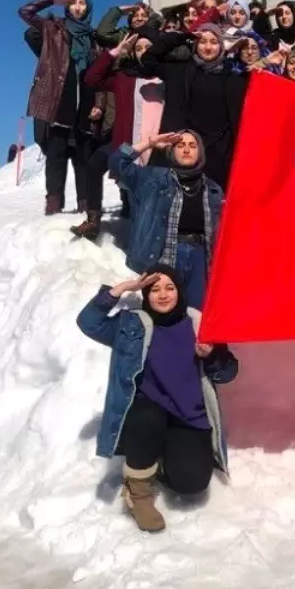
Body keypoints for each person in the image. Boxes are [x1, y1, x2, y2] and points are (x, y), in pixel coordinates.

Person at [76, 266, 238, 532]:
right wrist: (120, 290)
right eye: (154, 289)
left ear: (180, 292)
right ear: (145, 295)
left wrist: (212, 356)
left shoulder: (200, 325)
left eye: (169, 288)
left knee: (191, 484)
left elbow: (228, 372)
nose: (162, 295)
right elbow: (88, 322)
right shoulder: (133, 324)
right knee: (146, 417)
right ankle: (138, 493)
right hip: (147, 413)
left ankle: (161, 457)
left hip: (188, 416)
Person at [110, 131, 224, 310]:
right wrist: (149, 143)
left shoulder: (213, 190)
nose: (186, 149)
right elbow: (117, 162)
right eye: (180, 145)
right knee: (167, 313)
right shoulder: (153, 178)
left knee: (197, 314)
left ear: (200, 153)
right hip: (165, 254)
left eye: (192, 146)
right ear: (172, 151)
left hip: (200, 258)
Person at [140, 23, 248, 189]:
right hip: (182, 149)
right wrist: (183, 36)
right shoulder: (178, 71)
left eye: (214, 42)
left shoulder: (233, 78)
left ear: (221, 46)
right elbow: (148, 59)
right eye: (202, 41)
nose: (208, 47)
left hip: (217, 154)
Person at [19, 0, 98, 214]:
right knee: (56, 155)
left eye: (83, 3)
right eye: (73, 3)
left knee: (83, 159)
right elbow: (25, 12)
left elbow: (100, 75)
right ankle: (53, 204)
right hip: (59, 101)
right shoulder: (54, 30)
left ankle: (85, 203)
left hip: (85, 104)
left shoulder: (93, 39)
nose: (78, 7)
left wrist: (99, 104)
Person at [72, 33, 151, 240]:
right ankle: (93, 220)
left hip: (150, 144)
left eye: (147, 47)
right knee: (95, 163)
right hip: (126, 144)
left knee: (138, 194)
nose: (143, 52)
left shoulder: (162, 76)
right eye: (138, 48)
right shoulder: (124, 77)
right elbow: (91, 79)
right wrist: (113, 53)